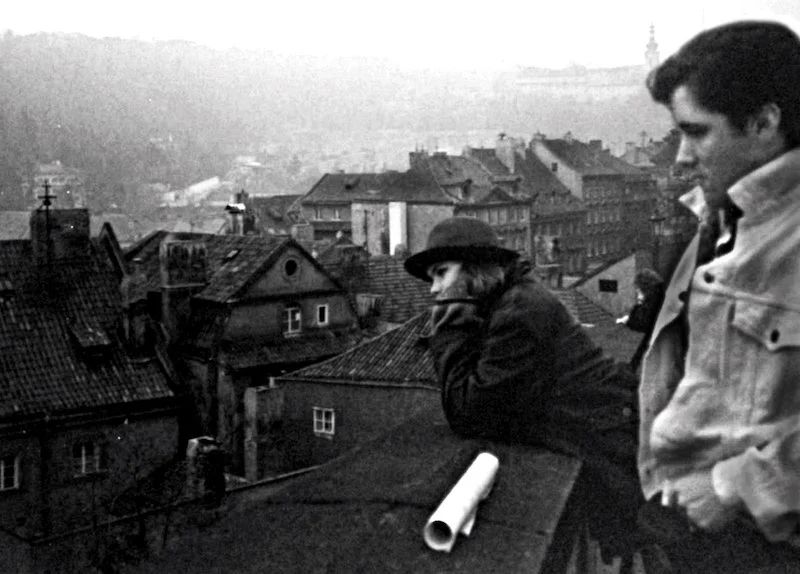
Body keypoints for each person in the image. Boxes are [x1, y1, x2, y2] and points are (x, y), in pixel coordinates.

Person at [638, 20, 800, 572]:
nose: (681, 156)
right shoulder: (723, 221)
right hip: (700, 535)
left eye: (697, 132)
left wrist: (734, 487)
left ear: (763, 123)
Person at [404, 216, 642, 563]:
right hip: (613, 436)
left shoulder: (519, 311)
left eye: (442, 273)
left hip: (618, 451)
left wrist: (449, 328)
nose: (433, 289)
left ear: (475, 270)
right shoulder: (514, 298)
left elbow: (468, 413)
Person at [616, 269, 665, 372]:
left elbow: (641, 324)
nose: (637, 290)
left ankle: (633, 367)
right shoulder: (661, 292)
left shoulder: (653, 299)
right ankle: (633, 365)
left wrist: (639, 303)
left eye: (638, 288)